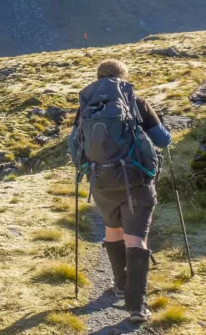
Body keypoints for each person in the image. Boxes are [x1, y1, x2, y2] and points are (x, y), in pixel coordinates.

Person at [68, 59, 172, 324]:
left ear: (99, 78)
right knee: (136, 238)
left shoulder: (86, 108)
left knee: (113, 231)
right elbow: (162, 141)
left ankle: (120, 285)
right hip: (136, 181)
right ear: (124, 78)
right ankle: (137, 306)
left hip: (101, 181)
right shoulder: (138, 103)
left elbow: (75, 146)